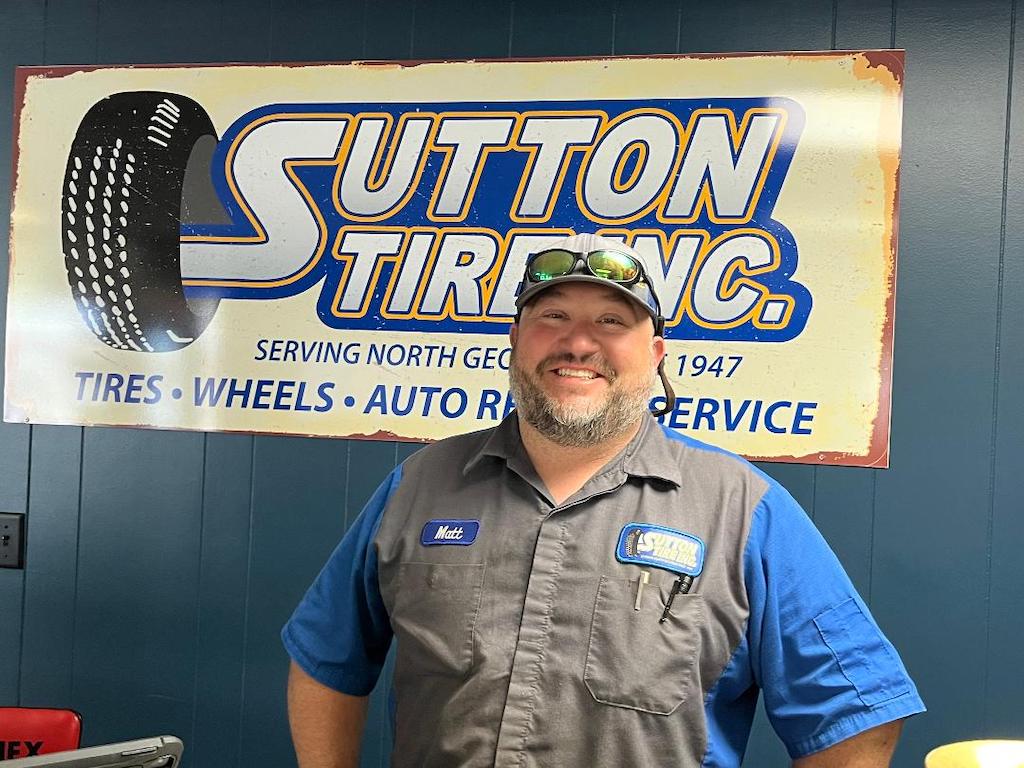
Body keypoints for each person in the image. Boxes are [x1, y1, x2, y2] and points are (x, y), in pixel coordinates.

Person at [282, 233, 925, 768]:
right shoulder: (419, 484)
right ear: (515, 339)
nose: (579, 343)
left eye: (612, 322)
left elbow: (856, 711)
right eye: (553, 317)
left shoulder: (742, 508)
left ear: (655, 354)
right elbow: (324, 658)